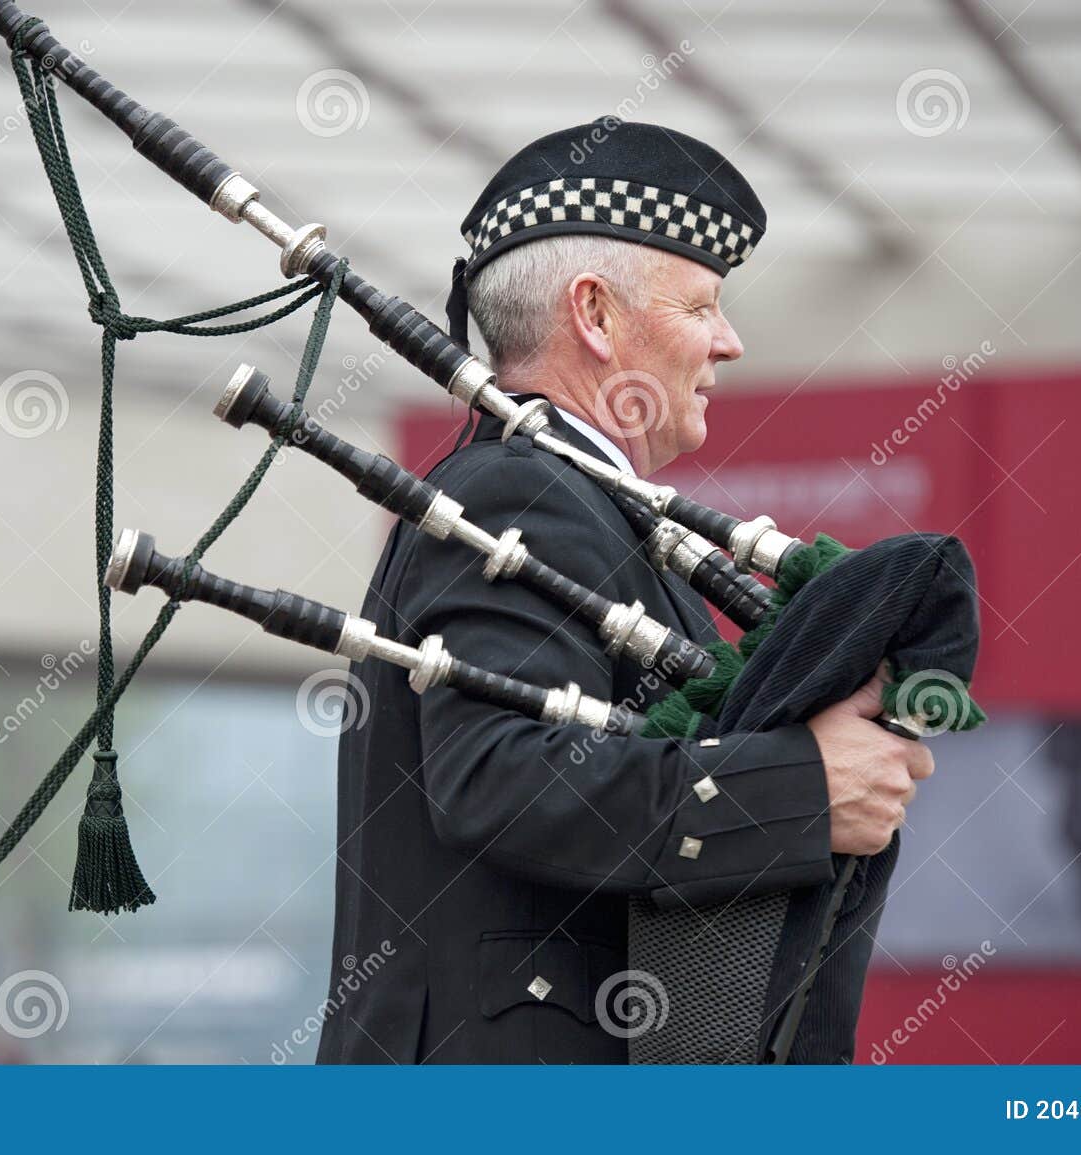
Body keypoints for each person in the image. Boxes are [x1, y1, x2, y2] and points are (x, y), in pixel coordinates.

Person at [315, 121, 933, 1064]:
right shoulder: (512, 489)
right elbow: (499, 777)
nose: (729, 342)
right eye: (701, 306)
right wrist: (805, 787)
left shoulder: (586, 508)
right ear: (596, 317)